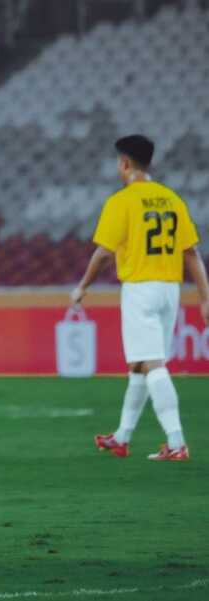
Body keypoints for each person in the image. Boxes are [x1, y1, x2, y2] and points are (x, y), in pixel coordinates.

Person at [71, 135, 209, 461]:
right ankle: (122, 437)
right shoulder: (172, 199)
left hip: (140, 289)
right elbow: (191, 253)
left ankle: (176, 442)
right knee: (139, 364)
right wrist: (205, 298)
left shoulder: (122, 202)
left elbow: (104, 253)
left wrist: (83, 286)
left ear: (124, 163)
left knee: (153, 365)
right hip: (169, 290)